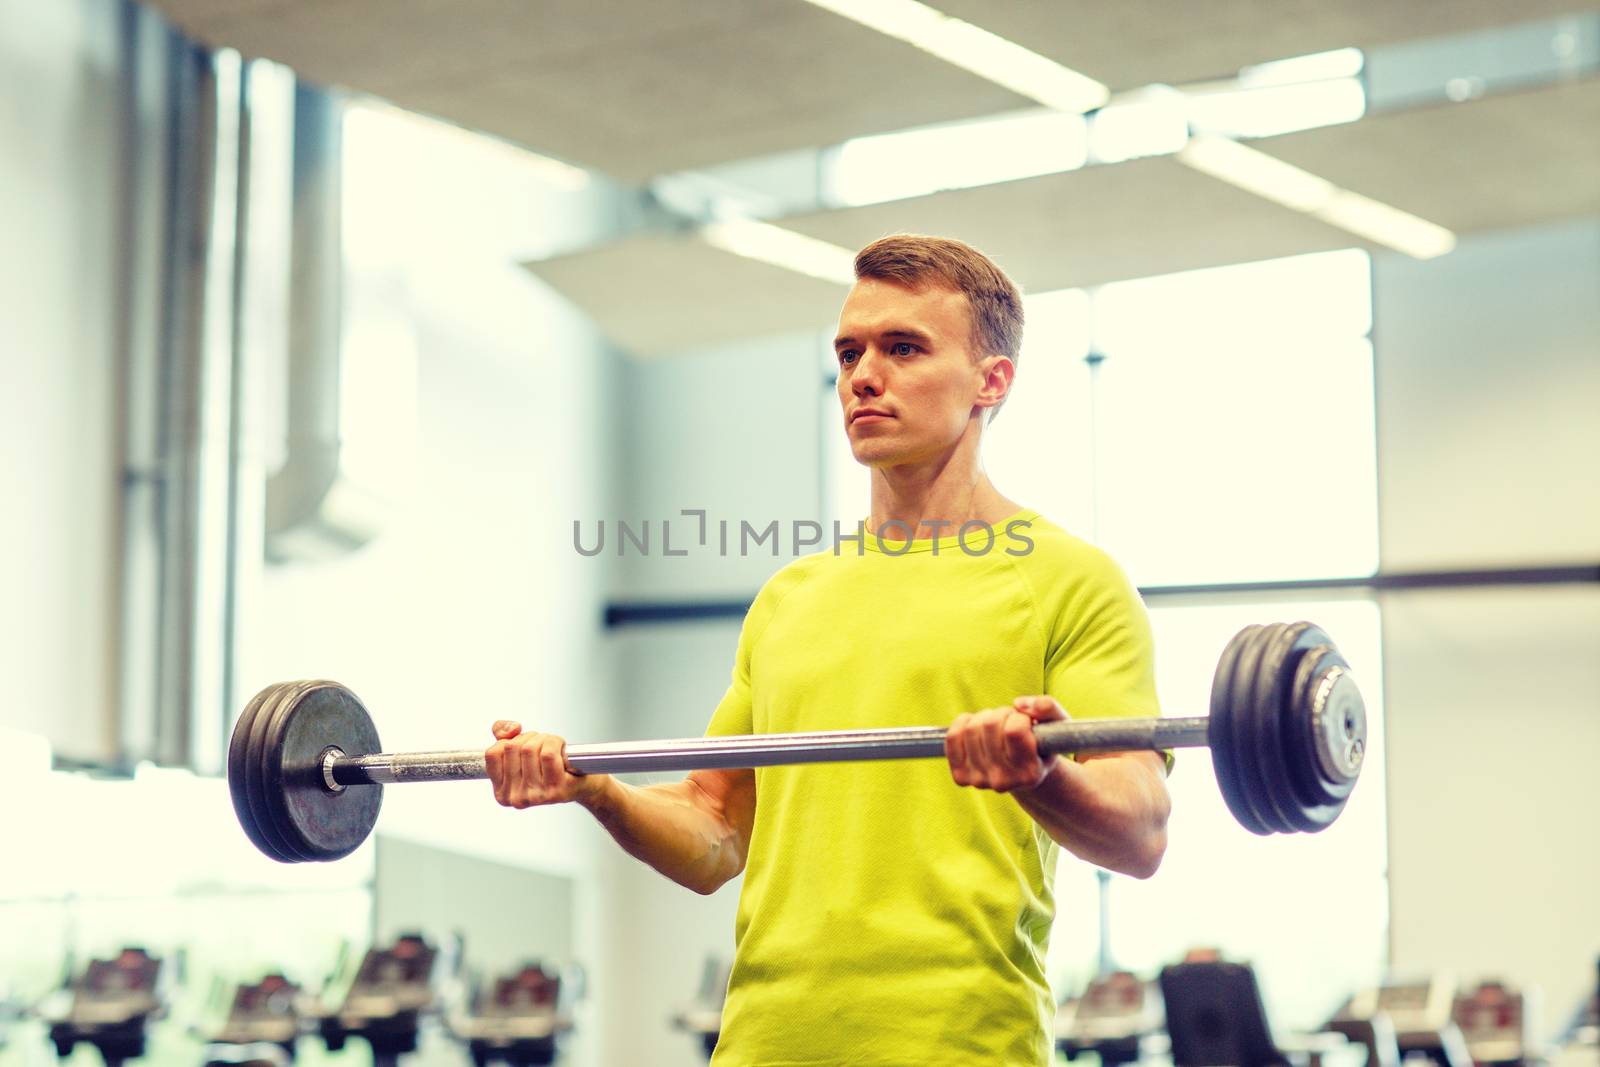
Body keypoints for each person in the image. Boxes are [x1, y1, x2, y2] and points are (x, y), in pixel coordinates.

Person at [486, 234, 1172, 1066]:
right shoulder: (789, 599)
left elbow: (1139, 832)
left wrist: (1040, 773)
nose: (862, 375)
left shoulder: (1073, 580)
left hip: (959, 1047)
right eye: (849, 352)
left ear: (992, 380)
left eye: (903, 347)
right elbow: (713, 832)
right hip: (763, 1046)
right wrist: (596, 790)